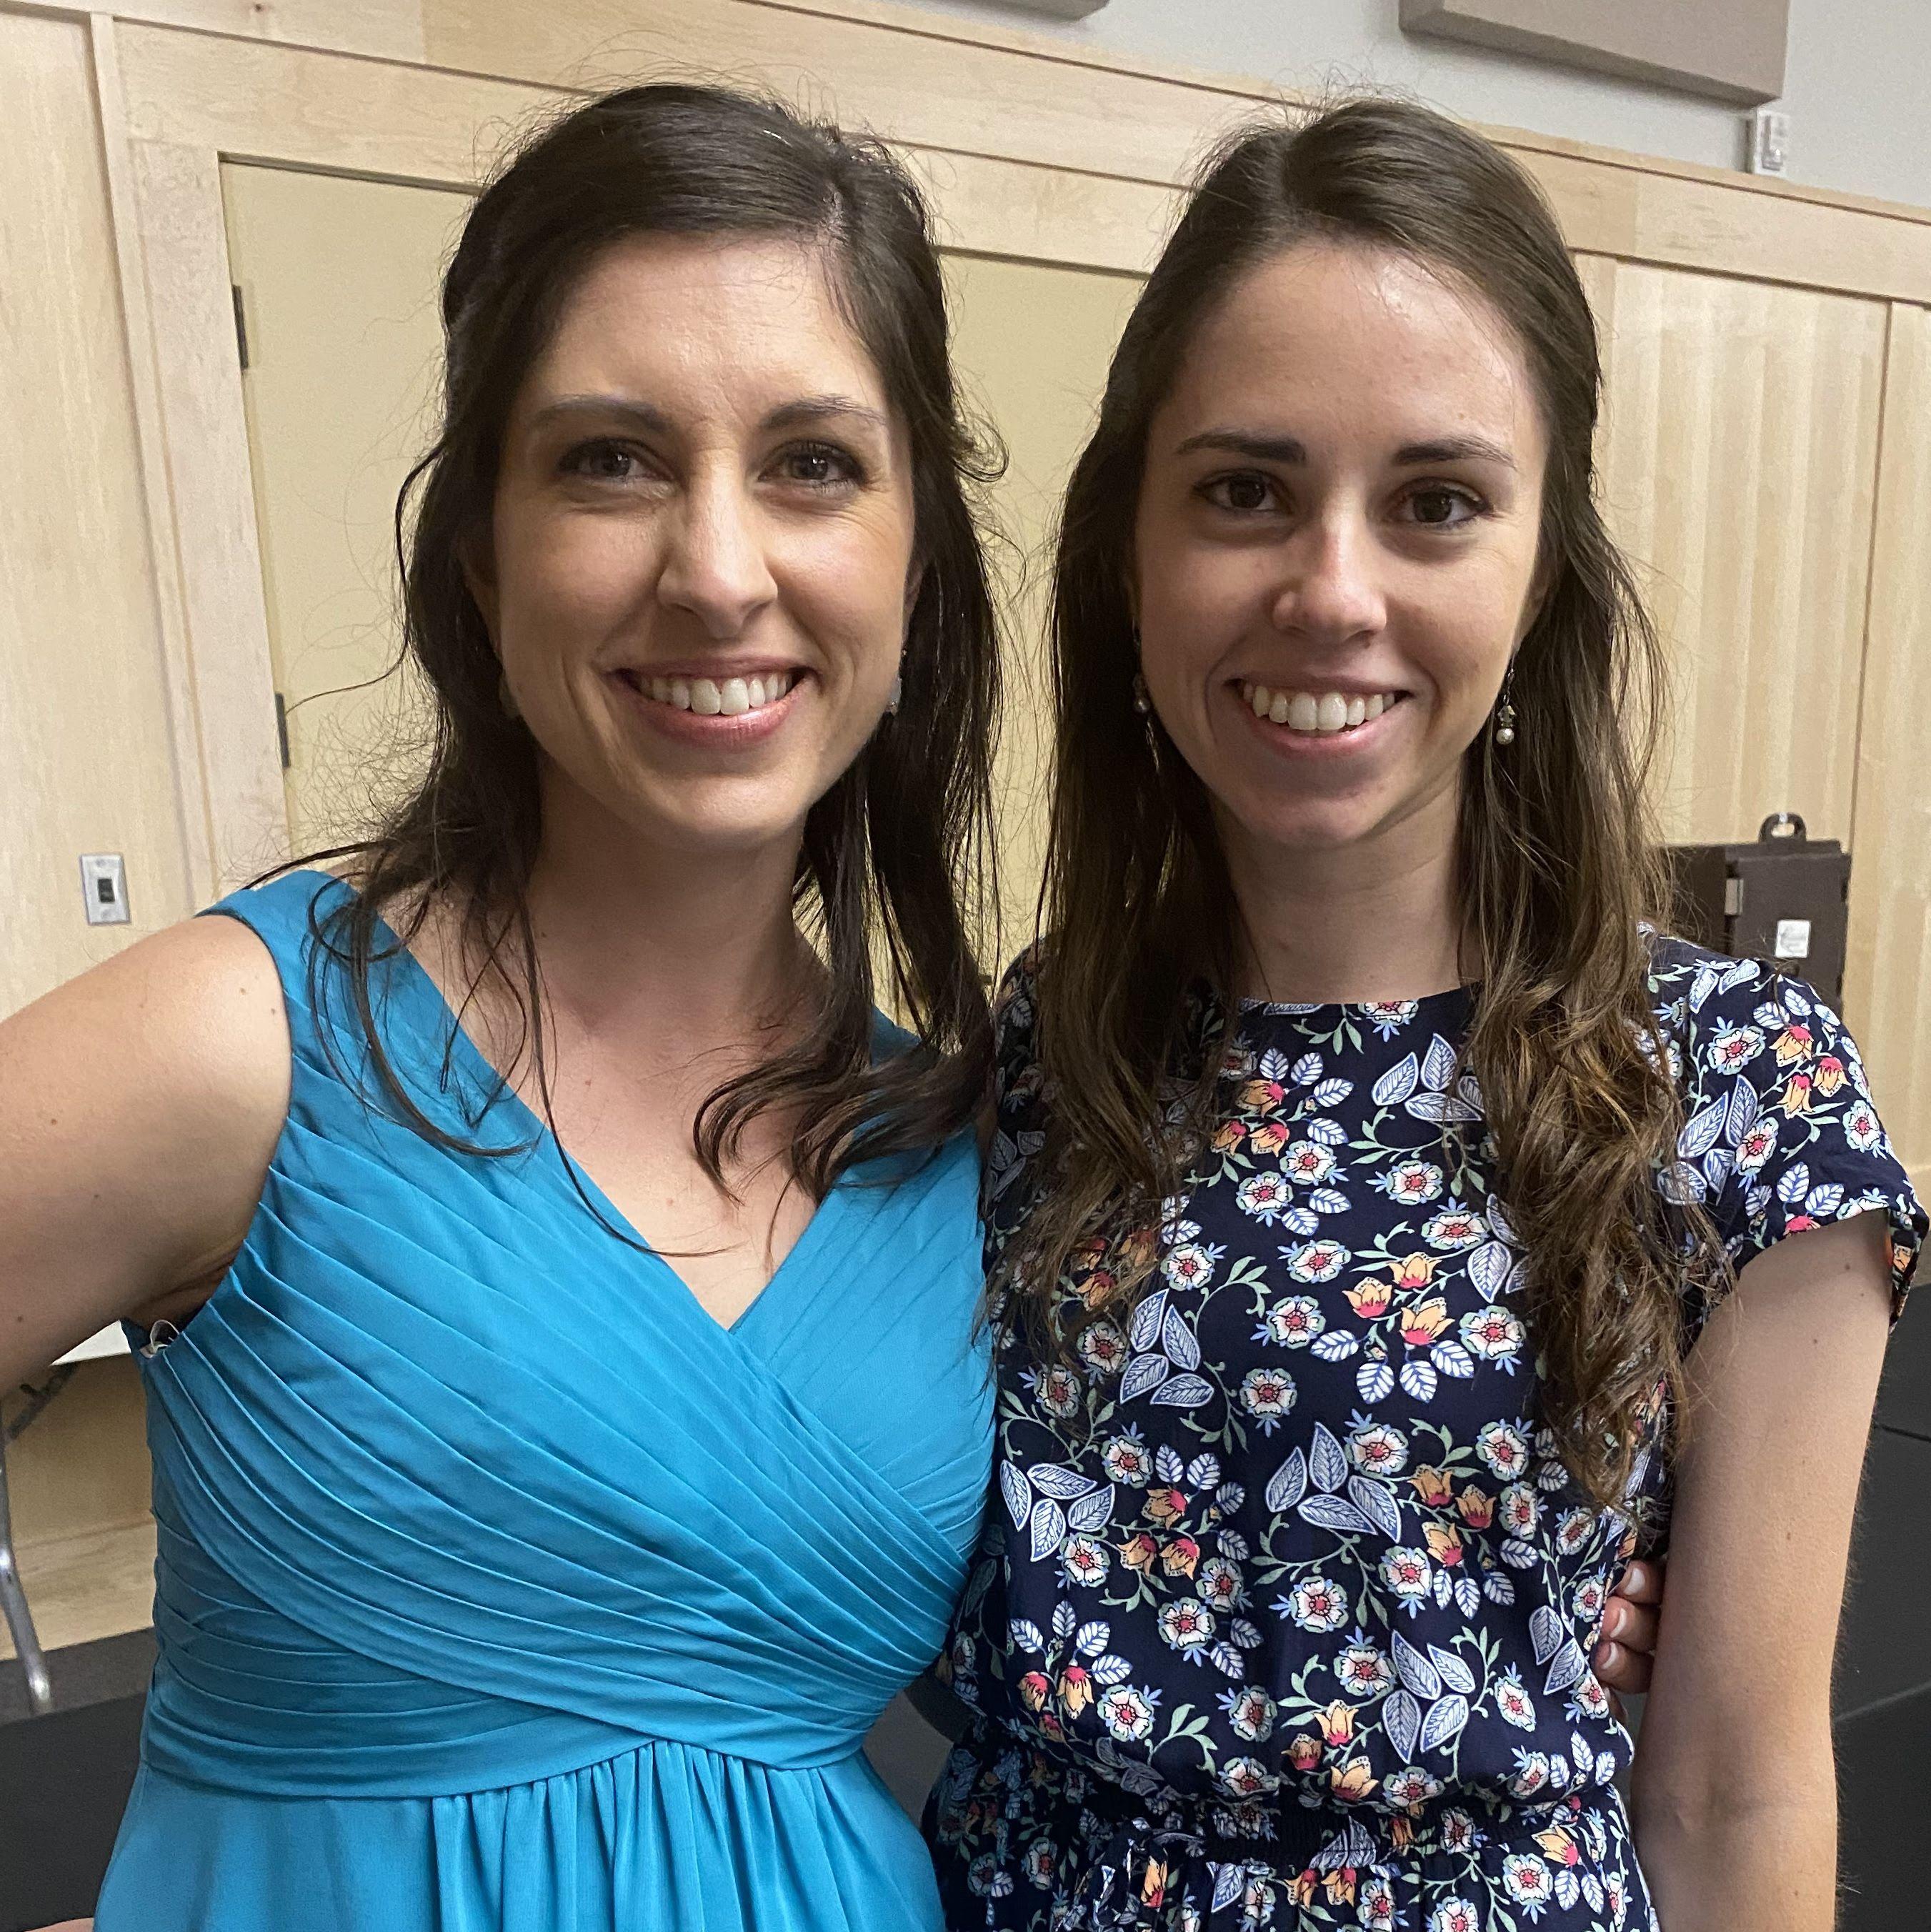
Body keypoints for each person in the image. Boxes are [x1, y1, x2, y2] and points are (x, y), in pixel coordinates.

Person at [1, 84, 1007, 1932]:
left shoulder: (952, 1144)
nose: (718, 569)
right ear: (482, 549)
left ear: (914, 556)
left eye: (811, 463)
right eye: (611, 460)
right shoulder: (248, 1043)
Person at [927, 99, 1923, 1932]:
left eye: (1434, 502)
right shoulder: (1036, 1052)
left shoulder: (1735, 1084)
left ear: (1540, 575)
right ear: (1129, 553)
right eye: (1243, 489)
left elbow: (1739, 1784)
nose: (1331, 589)